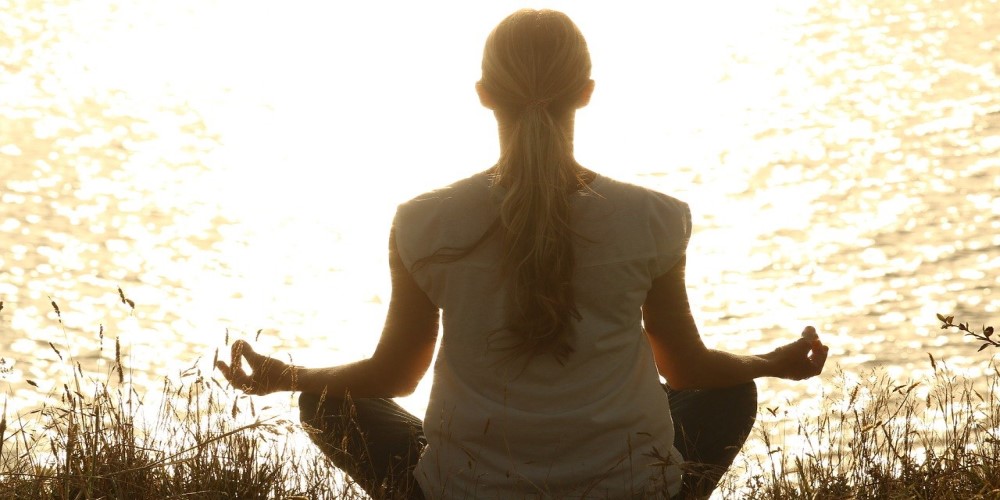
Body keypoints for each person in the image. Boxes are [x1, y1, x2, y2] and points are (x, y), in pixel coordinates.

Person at [216, 8, 829, 499]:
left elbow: (394, 376)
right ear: (586, 93)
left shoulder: (423, 221)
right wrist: (768, 363)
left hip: (466, 491)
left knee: (322, 399)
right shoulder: (655, 218)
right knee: (730, 390)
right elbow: (687, 369)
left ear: (484, 94)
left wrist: (285, 377)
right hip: (630, 487)